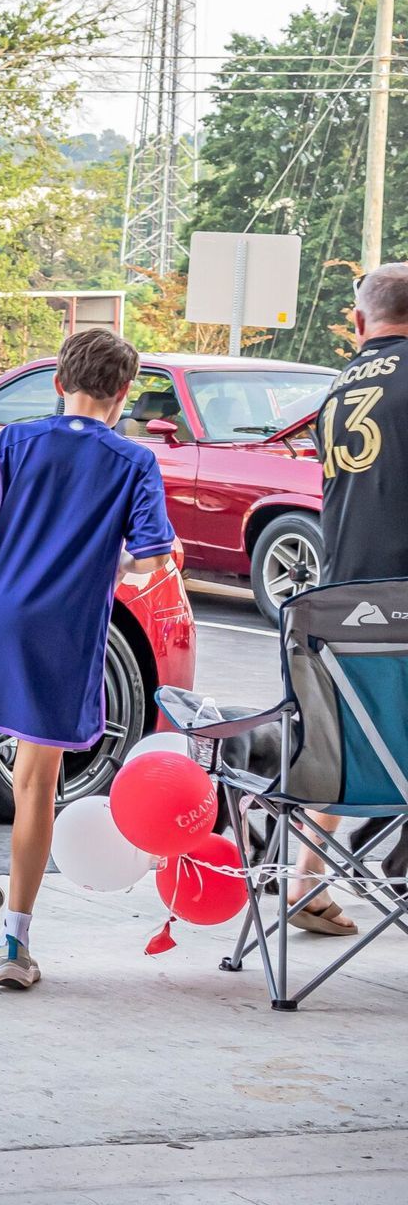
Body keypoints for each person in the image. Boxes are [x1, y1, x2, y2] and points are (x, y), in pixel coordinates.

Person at [0, 329, 175, 990]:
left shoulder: (15, 442)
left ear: (59, 383)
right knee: (36, 786)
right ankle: (15, 946)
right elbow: (151, 558)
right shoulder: (133, 463)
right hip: (67, 636)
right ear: (121, 396)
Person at [286, 261, 408, 933]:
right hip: (403, 605)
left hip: (339, 610)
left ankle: (307, 882)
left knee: (349, 736)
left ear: (359, 325)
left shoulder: (336, 391)